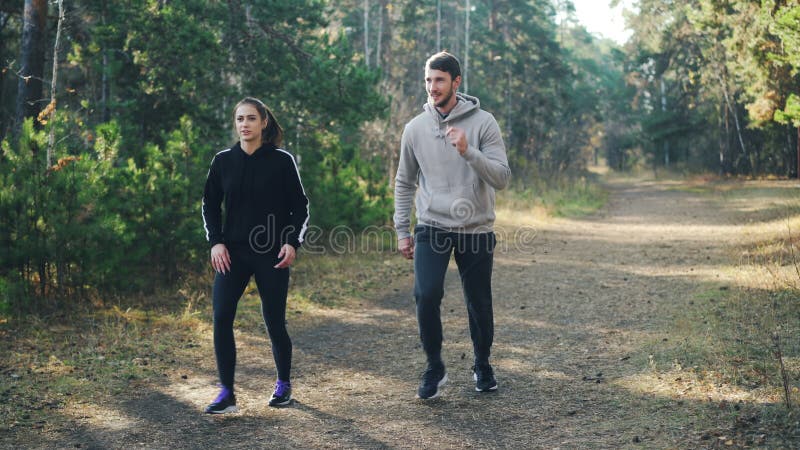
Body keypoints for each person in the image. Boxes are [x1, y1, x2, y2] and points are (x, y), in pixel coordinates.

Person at [394, 52, 511, 399]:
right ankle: (434, 366)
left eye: (439, 80)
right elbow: (404, 182)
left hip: (475, 228)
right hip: (432, 225)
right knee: (425, 294)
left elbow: (502, 177)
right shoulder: (415, 128)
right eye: (428, 80)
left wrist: (469, 152)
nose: (432, 87)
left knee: (478, 302)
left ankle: (482, 364)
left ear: (456, 82)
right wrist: (402, 229)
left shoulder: (484, 123)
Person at [202, 97, 309, 413]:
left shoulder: (282, 161)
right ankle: (226, 392)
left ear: (263, 122)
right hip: (231, 254)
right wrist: (216, 242)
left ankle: (283, 385)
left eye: (250, 118)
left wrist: (292, 243)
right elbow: (209, 204)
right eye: (239, 119)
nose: (244, 124)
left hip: (271, 253)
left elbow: (300, 207)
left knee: (274, 322)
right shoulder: (222, 161)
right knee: (221, 317)